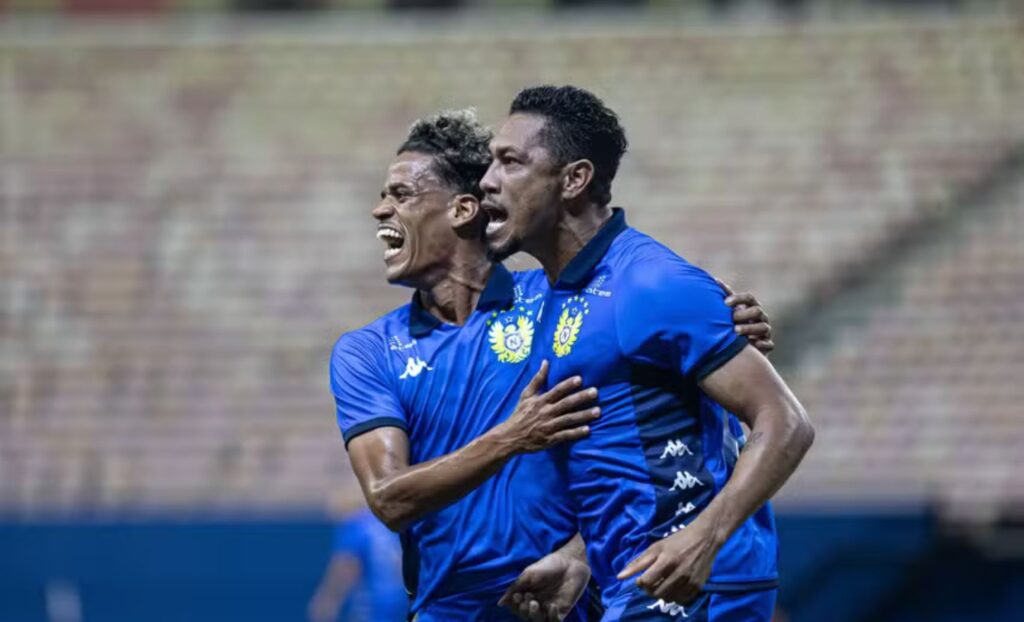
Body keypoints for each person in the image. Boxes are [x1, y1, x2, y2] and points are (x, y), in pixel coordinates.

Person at [331, 109, 777, 621]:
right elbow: (390, 498)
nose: (379, 211)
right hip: (448, 610)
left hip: (569, 601)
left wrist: (732, 319)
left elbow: (674, 332)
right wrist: (511, 436)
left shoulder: (567, 302)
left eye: (400, 195)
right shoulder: (367, 352)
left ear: (462, 210)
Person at [480, 85, 814, 621]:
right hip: (634, 578)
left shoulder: (651, 284)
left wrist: (704, 537)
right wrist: (579, 556)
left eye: (510, 162)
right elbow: (632, 458)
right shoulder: (554, 295)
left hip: (695, 583)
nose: (488, 180)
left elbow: (786, 422)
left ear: (573, 180)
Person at [307, 501, 408, 622]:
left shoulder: (355, 526)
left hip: (370, 602)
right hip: (401, 600)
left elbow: (347, 567)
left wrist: (329, 599)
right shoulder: (391, 523)